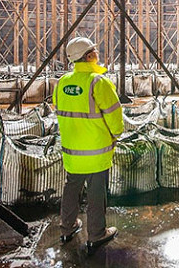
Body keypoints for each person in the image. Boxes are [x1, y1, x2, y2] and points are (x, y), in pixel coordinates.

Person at [54, 36, 123, 251]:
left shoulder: (63, 82)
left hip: (72, 152)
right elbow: (114, 115)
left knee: (71, 188)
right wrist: (116, 134)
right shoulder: (98, 82)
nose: (98, 55)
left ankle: (67, 228)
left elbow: (59, 109)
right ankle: (96, 234)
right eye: (95, 51)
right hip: (96, 152)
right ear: (90, 56)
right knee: (96, 193)